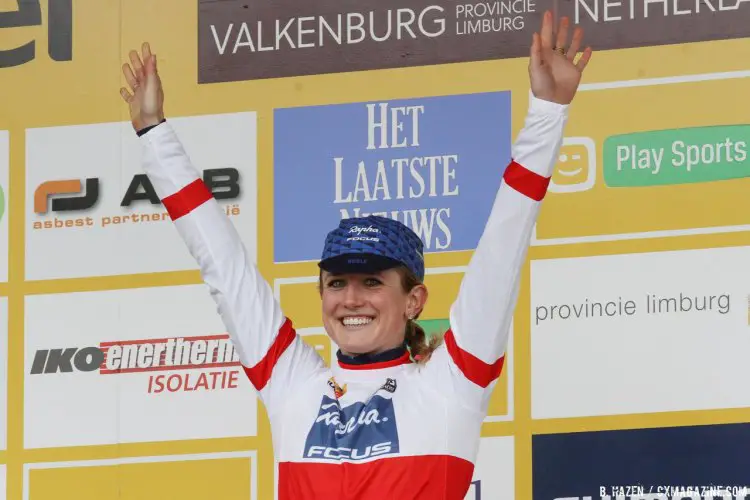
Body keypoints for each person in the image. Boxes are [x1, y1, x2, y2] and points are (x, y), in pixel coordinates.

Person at [119, 10, 591, 499]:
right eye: (337, 283)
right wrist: (153, 133)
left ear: (414, 300)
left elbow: (502, 249)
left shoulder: (451, 385)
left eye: (372, 282)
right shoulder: (293, 384)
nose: (351, 299)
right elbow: (222, 263)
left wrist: (547, 113)